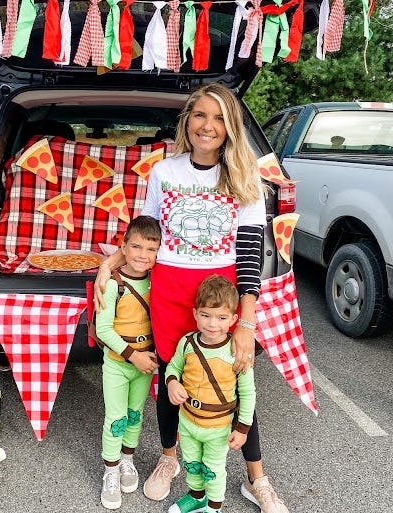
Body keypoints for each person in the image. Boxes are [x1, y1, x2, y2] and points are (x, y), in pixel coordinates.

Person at [95, 83, 289, 513]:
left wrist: (246, 320)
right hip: (168, 291)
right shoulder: (164, 173)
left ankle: (256, 479)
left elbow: (251, 249)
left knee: (231, 380)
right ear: (188, 121)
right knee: (172, 377)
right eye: (200, 115)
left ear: (230, 127)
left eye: (219, 118)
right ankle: (169, 460)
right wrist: (110, 263)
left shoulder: (244, 177)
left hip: (218, 296)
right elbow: (145, 234)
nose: (208, 125)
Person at [166, 275, 256, 513]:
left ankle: (214, 508)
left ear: (234, 320)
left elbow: (248, 393)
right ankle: (197, 497)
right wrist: (173, 382)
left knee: (213, 469)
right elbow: (173, 367)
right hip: (187, 422)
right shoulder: (187, 343)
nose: (212, 324)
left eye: (221, 318)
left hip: (217, 427)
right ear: (195, 314)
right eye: (205, 315)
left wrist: (243, 428)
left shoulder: (236, 351)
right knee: (192, 464)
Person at [95, 215, 161, 510]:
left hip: (145, 363)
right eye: (135, 247)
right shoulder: (114, 283)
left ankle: (127, 461)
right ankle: (110, 472)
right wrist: (133, 356)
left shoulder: (158, 280)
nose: (142, 255)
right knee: (116, 417)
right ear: (123, 246)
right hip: (120, 364)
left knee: (135, 415)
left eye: (150, 249)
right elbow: (103, 329)